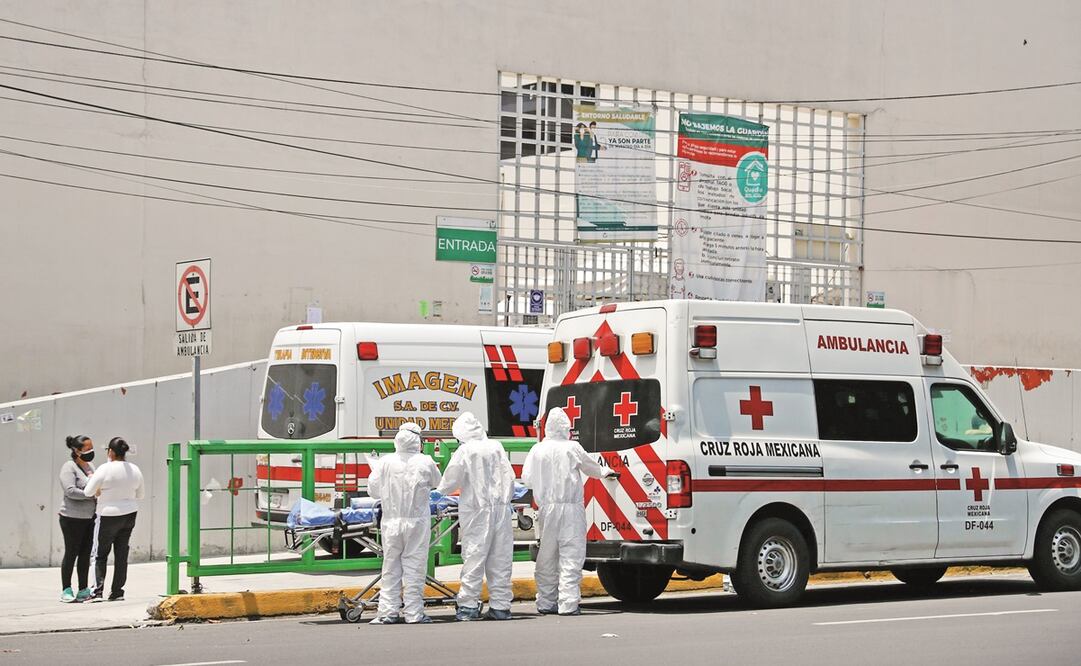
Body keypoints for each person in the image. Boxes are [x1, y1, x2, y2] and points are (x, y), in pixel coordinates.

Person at [523, 407, 618, 616]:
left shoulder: (537, 449)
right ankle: (568, 603)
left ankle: (546, 602)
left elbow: (527, 478)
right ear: (566, 427)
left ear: (547, 427)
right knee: (570, 555)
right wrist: (606, 472)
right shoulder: (572, 447)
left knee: (547, 556)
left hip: (546, 509)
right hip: (570, 509)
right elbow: (592, 469)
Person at [436, 412, 515, 621]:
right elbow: (509, 476)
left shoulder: (465, 450)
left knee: (474, 557)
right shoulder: (496, 446)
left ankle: (468, 606)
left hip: (477, 510)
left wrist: (438, 491)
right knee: (500, 559)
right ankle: (501, 607)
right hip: (501, 509)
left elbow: (449, 482)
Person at [366, 422, 442, 625]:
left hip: (391, 522)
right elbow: (438, 482)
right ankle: (414, 613)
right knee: (415, 567)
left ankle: (387, 613)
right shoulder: (425, 461)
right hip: (417, 523)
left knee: (390, 567)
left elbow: (373, 491)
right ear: (418, 441)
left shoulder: (385, 462)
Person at [82, 437, 144, 602]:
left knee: (99, 554)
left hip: (107, 515)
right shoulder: (135, 469)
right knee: (121, 554)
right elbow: (141, 494)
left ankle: (97, 591)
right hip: (130, 514)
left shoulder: (104, 469)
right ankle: (117, 591)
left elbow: (88, 492)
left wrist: (98, 489)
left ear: (111, 451)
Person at [58, 435, 97, 603]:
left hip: (89, 517)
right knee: (71, 552)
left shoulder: (90, 466)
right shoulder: (69, 467)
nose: (90, 452)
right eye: (87, 449)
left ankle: (83, 589)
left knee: (85, 554)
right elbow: (70, 490)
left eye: (91, 448)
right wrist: (90, 494)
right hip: (71, 518)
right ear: (76, 450)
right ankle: (66, 589)